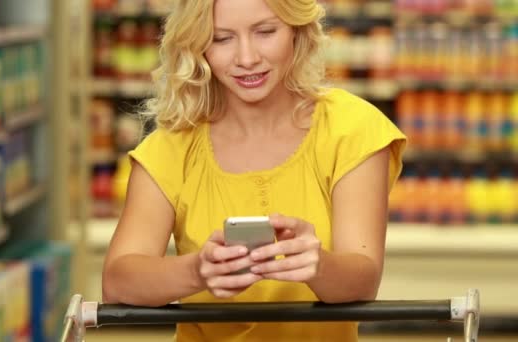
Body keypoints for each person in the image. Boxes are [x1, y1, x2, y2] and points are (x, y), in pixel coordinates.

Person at [102, 0, 406, 340]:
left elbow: (364, 281)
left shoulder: (352, 130)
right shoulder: (171, 147)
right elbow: (117, 282)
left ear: (296, 29)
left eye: (265, 32)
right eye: (221, 38)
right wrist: (197, 270)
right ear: (197, 44)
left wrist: (318, 264)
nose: (246, 58)